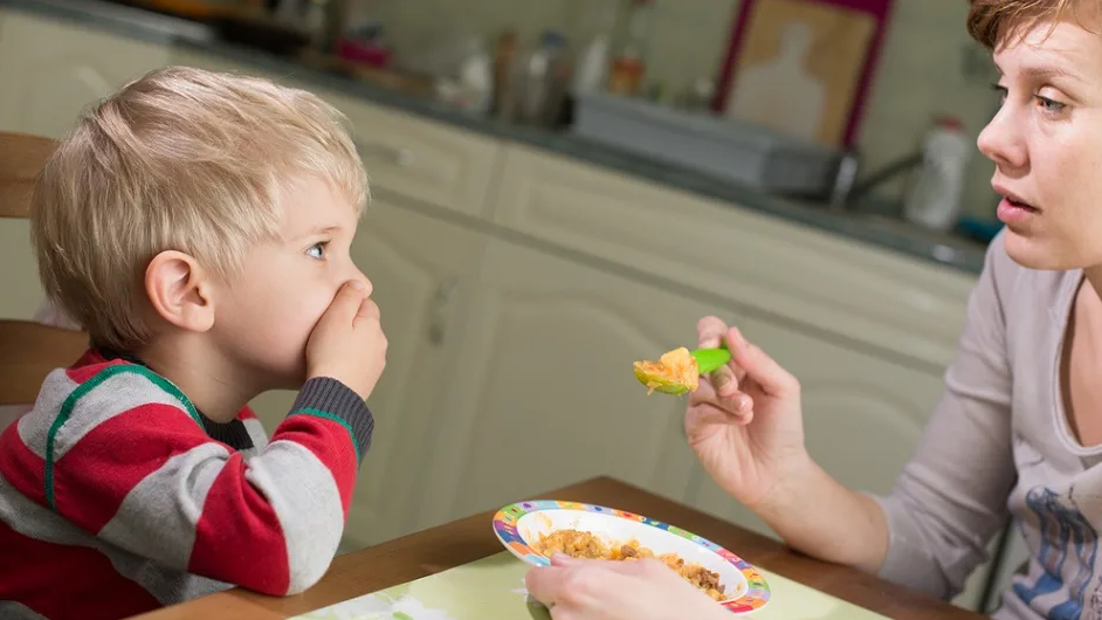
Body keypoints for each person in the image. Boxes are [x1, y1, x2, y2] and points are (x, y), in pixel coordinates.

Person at [525, 0, 1102, 618]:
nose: (991, 137)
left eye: (1050, 100)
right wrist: (785, 482)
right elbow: (933, 539)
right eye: (1005, 91)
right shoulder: (1019, 279)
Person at [0, 66, 387, 619]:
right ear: (187, 290)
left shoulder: (226, 422)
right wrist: (337, 393)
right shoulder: (102, 424)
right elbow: (284, 547)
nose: (359, 283)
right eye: (320, 249)